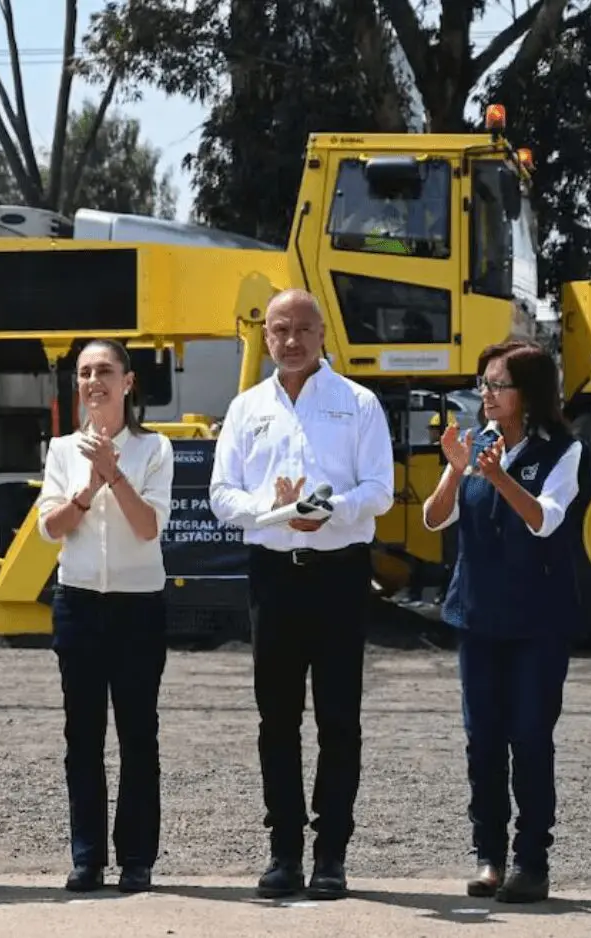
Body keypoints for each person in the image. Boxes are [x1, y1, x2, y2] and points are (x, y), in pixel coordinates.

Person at [208, 288, 395, 900]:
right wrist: (275, 510)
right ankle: (283, 851)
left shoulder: (358, 404)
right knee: (277, 719)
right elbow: (222, 495)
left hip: (339, 573)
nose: (290, 341)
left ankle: (332, 854)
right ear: (266, 338)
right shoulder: (246, 408)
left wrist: (328, 510)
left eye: (302, 330)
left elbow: (379, 491)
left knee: (339, 718)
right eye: (279, 330)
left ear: (323, 335)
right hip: (274, 576)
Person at [422, 339, 582, 903]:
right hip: (479, 616)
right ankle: (488, 855)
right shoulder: (477, 445)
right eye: (483, 384)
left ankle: (531, 861)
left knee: (531, 739)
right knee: (482, 742)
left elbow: (546, 520)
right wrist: (454, 471)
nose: (486, 395)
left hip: (538, 620)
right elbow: (434, 517)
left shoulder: (563, 450)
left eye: (498, 385)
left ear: (528, 392)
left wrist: (498, 479)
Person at [34, 339, 175, 894]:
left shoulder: (154, 448)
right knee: (83, 735)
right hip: (79, 604)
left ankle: (137, 859)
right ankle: (87, 856)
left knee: (139, 734)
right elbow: (52, 527)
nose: (95, 381)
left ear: (128, 382)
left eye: (105, 371)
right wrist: (90, 486)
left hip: (138, 605)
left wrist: (115, 474)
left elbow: (148, 527)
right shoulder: (62, 449)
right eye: (85, 372)